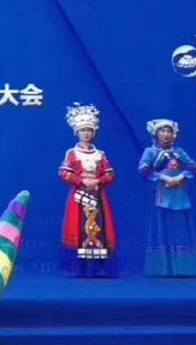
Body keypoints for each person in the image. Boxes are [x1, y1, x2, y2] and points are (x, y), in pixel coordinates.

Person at [58, 104, 118, 277]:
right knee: (80, 227)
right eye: (83, 130)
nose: (86, 133)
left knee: (99, 227)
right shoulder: (72, 153)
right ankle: (80, 268)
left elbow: (110, 174)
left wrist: (98, 181)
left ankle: (98, 267)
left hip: (98, 196)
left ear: (94, 132)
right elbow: (64, 173)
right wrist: (81, 181)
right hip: (79, 197)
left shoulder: (100, 154)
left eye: (89, 130)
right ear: (77, 132)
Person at [139, 119, 196, 277]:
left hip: (179, 194)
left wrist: (181, 177)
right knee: (162, 227)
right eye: (163, 131)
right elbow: (144, 170)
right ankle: (162, 268)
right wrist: (164, 178)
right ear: (156, 134)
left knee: (179, 227)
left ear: (174, 134)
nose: (166, 134)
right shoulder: (150, 152)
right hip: (160, 195)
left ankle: (183, 268)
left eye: (169, 131)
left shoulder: (179, 152)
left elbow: (193, 167)